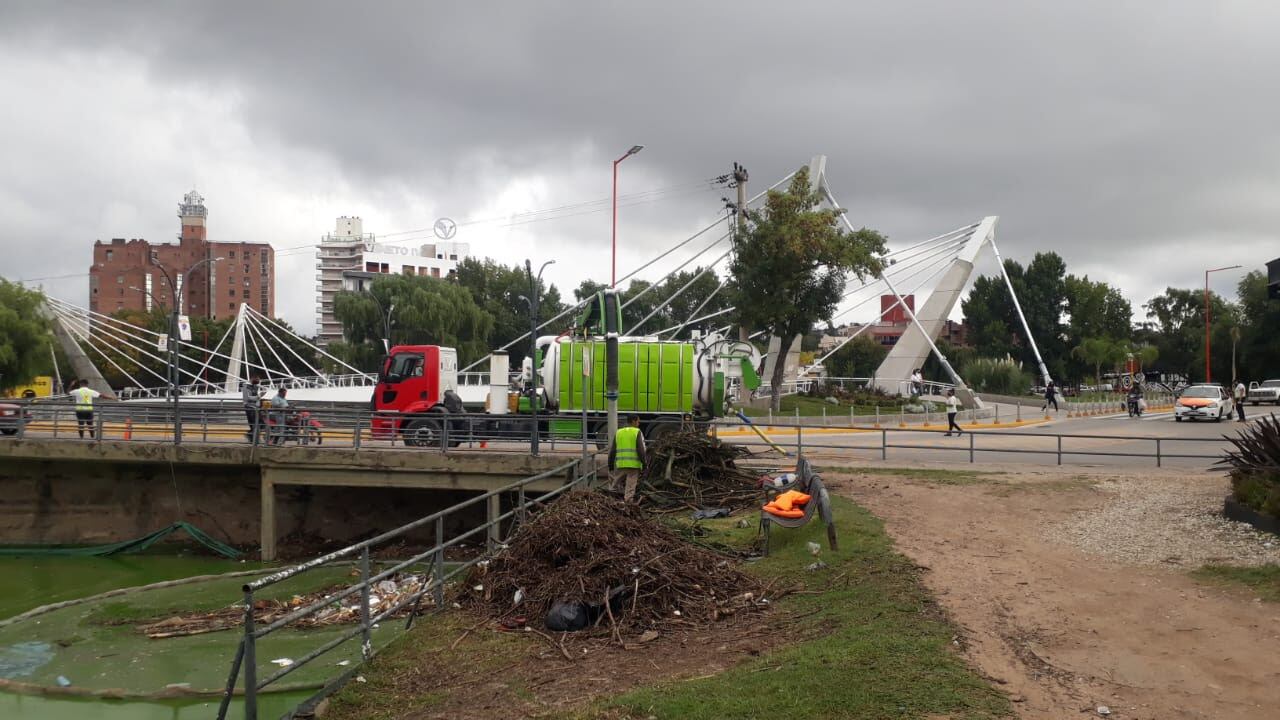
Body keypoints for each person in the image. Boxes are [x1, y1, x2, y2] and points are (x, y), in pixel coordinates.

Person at [608, 415, 646, 502]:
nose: (639, 424)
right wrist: (644, 464)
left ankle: (611, 501)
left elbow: (613, 450)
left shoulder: (619, 432)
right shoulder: (637, 432)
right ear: (633, 421)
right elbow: (641, 450)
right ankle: (628, 504)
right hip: (634, 465)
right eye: (638, 422)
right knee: (630, 487)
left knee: (615, 484)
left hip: (621, 464)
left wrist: (610, 464)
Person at [242, 375, 263, 442]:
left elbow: (255, 396)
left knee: (258, 422)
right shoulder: (246, 386)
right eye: (257, 380)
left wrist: (259, 397)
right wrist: (258, 397)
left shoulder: (255, 386)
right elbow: (247, 398)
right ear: (251, 379)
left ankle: (253, 437)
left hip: (255, 407)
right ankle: (253, 438)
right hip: (249, 407)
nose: (258, 382)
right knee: (253, 422)